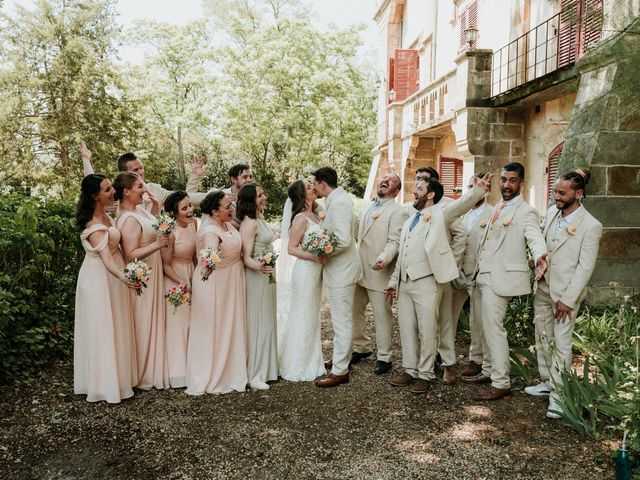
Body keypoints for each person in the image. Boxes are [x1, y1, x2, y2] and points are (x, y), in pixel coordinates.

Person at [384, 176, 491, 394]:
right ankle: (410, 369)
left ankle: (425, 374)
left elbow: (460, 205)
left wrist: (477, 191)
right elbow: (402, 254)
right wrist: (393, 282)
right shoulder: (409, 219)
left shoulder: (440, 214)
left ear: (431, 194)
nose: (414, 191)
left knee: (428, 328)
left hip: (427, 280)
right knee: (406, 328)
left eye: (419, 188)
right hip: (405, 283)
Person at [466, 162, 547, 401]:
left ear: (521, 182)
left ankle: (501, 382)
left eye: (512, 180)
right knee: (481, 325)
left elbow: (534, 237)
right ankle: (488, 370)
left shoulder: (526, 212)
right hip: (482, 275)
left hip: (501, 278)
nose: (507, 185)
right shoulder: (496, 207)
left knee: (494, 329)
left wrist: (541, 255)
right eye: (503, 179)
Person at [525, 169, 602, 418]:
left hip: (564, 297)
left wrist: (568, 300)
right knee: (543, 339)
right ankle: (547, 382)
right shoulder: (550, 213)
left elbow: (585, 267)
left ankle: (560, 397)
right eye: (555, 191)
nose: (556, 196)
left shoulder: (591, 225)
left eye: (561, 192)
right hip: (544, 287)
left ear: (578, 194)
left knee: (562, 345)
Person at [74, 174, 138, 403]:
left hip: (114, 274)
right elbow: (106, 259)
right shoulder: (93, 224)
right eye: (108, 189)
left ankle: (121, 378)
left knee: (118, 324)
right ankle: (104, 385)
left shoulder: (107, 214)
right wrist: (124, 277)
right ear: (95, 196)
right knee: (102, 327)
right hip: (99, 278)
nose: (114, 191)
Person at [186, 191, 247, 395]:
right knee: (214, 326)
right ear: (214, 211)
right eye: (227, 206)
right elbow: (210, 250)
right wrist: (209, 263)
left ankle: (231, 369)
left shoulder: (227, 224)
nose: (231, 209)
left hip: (231, 280)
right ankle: (211, 374)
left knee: (229, 324)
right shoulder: (210, 230)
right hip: (214, 282)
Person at [115, 171, 170, 390]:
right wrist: (159, 244)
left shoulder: (139, 210)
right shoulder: (128, 218)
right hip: (142, 275)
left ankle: (153, 369)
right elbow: (130, 253)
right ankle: (142, 372)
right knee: (143, 319)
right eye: (140, 186)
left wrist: (155, 210)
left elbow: (150, 227)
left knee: (153, 318)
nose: (144, 190)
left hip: (153, 271)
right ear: (126, 192)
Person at [351, 173, 408, 375]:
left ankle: (385, 357)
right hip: (360, 271)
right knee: (353, 309)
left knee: (382, 316)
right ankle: (361, 347)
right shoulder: (368, 206)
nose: (385, 180)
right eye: (383, 177)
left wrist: (383, 259)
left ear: (397, 190)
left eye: (391, 180)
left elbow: (395, 242)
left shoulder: (398, 212)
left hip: (379, 271)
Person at [414, 166, 468, 385]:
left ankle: (448, 364)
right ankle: (427, 361)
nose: (417, 184)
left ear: (432, 186)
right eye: (416, 179)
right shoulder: (414, 207)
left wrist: (450, 263)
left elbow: (461, 234)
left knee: (445, 320)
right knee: (425, 322)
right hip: (419, 275)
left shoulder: (445, 207)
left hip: (439, 274)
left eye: (422, 181)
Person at [312, 167, 363, 387]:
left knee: (342, 321)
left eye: (315, 183)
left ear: (323, 184)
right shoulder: (334, 200)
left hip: (343, 271)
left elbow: (342, 240)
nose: (313, 187)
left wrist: (322, 252)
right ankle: (340, 358)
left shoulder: (340, 203)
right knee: (339, 320)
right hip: (339, 270)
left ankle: (341, 371)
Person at [277, 179, 327, 382]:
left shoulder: (315, 214)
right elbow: (291, 248)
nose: (312, 188)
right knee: (303, 314)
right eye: (308, 187)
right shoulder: (300, 218)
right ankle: (296, 363)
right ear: (301, 195)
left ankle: (313, 359)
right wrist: (314, 256)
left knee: (312, 314)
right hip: (305, 271)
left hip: (316, 272)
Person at [79, 142, 212, 208]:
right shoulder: (115, 195)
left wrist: (215, 197)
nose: (141, 172)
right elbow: (92, 185)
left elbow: (184, 199)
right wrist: (86, 159)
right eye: (135, 170)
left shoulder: (154, 190)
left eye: (141, 168)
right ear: (124, 174)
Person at [237, 183, 278, 391]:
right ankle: (255, 374)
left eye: (263, 193)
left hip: (267, 274)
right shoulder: (249, 223)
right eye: (259, 195)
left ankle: (268, 368)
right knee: (259, 322)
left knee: (268, 321)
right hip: (257, 276)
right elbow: (246, 258)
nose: (264, 197)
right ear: (250, 200)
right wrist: (260, 267)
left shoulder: (259, 219)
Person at [453, 174, 494, 379]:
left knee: (479, 319)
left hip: (479, 273)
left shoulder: (492, 213)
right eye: (469, 186)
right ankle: (451, 358)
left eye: (476, 186)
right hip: (460, 272)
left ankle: (479, 360)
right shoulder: (462, 213)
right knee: (453, 317)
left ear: (486, 190)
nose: (472, 190)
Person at [160, 191, 197, 388]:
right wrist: (183, 282)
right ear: (174, 213)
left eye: (190, 205)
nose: (190, 210)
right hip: (175, 278)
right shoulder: (170, 232)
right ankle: (178, 373)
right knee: (179, 326)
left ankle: (195, 368)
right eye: (184, 208)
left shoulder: (194, 224)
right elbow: (165, 265)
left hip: (191, 273)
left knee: (193, 324)